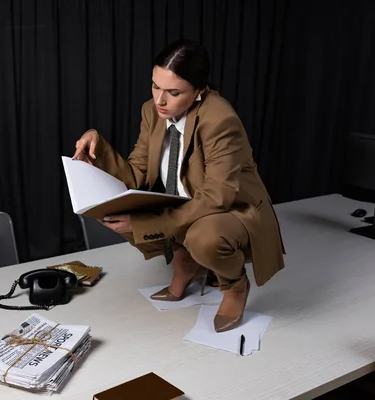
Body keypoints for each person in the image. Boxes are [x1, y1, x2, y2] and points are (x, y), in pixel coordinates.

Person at [72, 39, 285, 333]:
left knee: (204, 237)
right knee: (109, 207)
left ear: (199, 92)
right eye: (155, 86)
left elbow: (217, 197)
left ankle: (234, 284)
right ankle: (185, 262)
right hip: (188, 203)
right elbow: (137, 175)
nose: (160, 100)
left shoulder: (221, 120)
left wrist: (146, 225)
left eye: (173, 92)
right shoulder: (153, 112)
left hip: (233, 209)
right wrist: (98, 147)